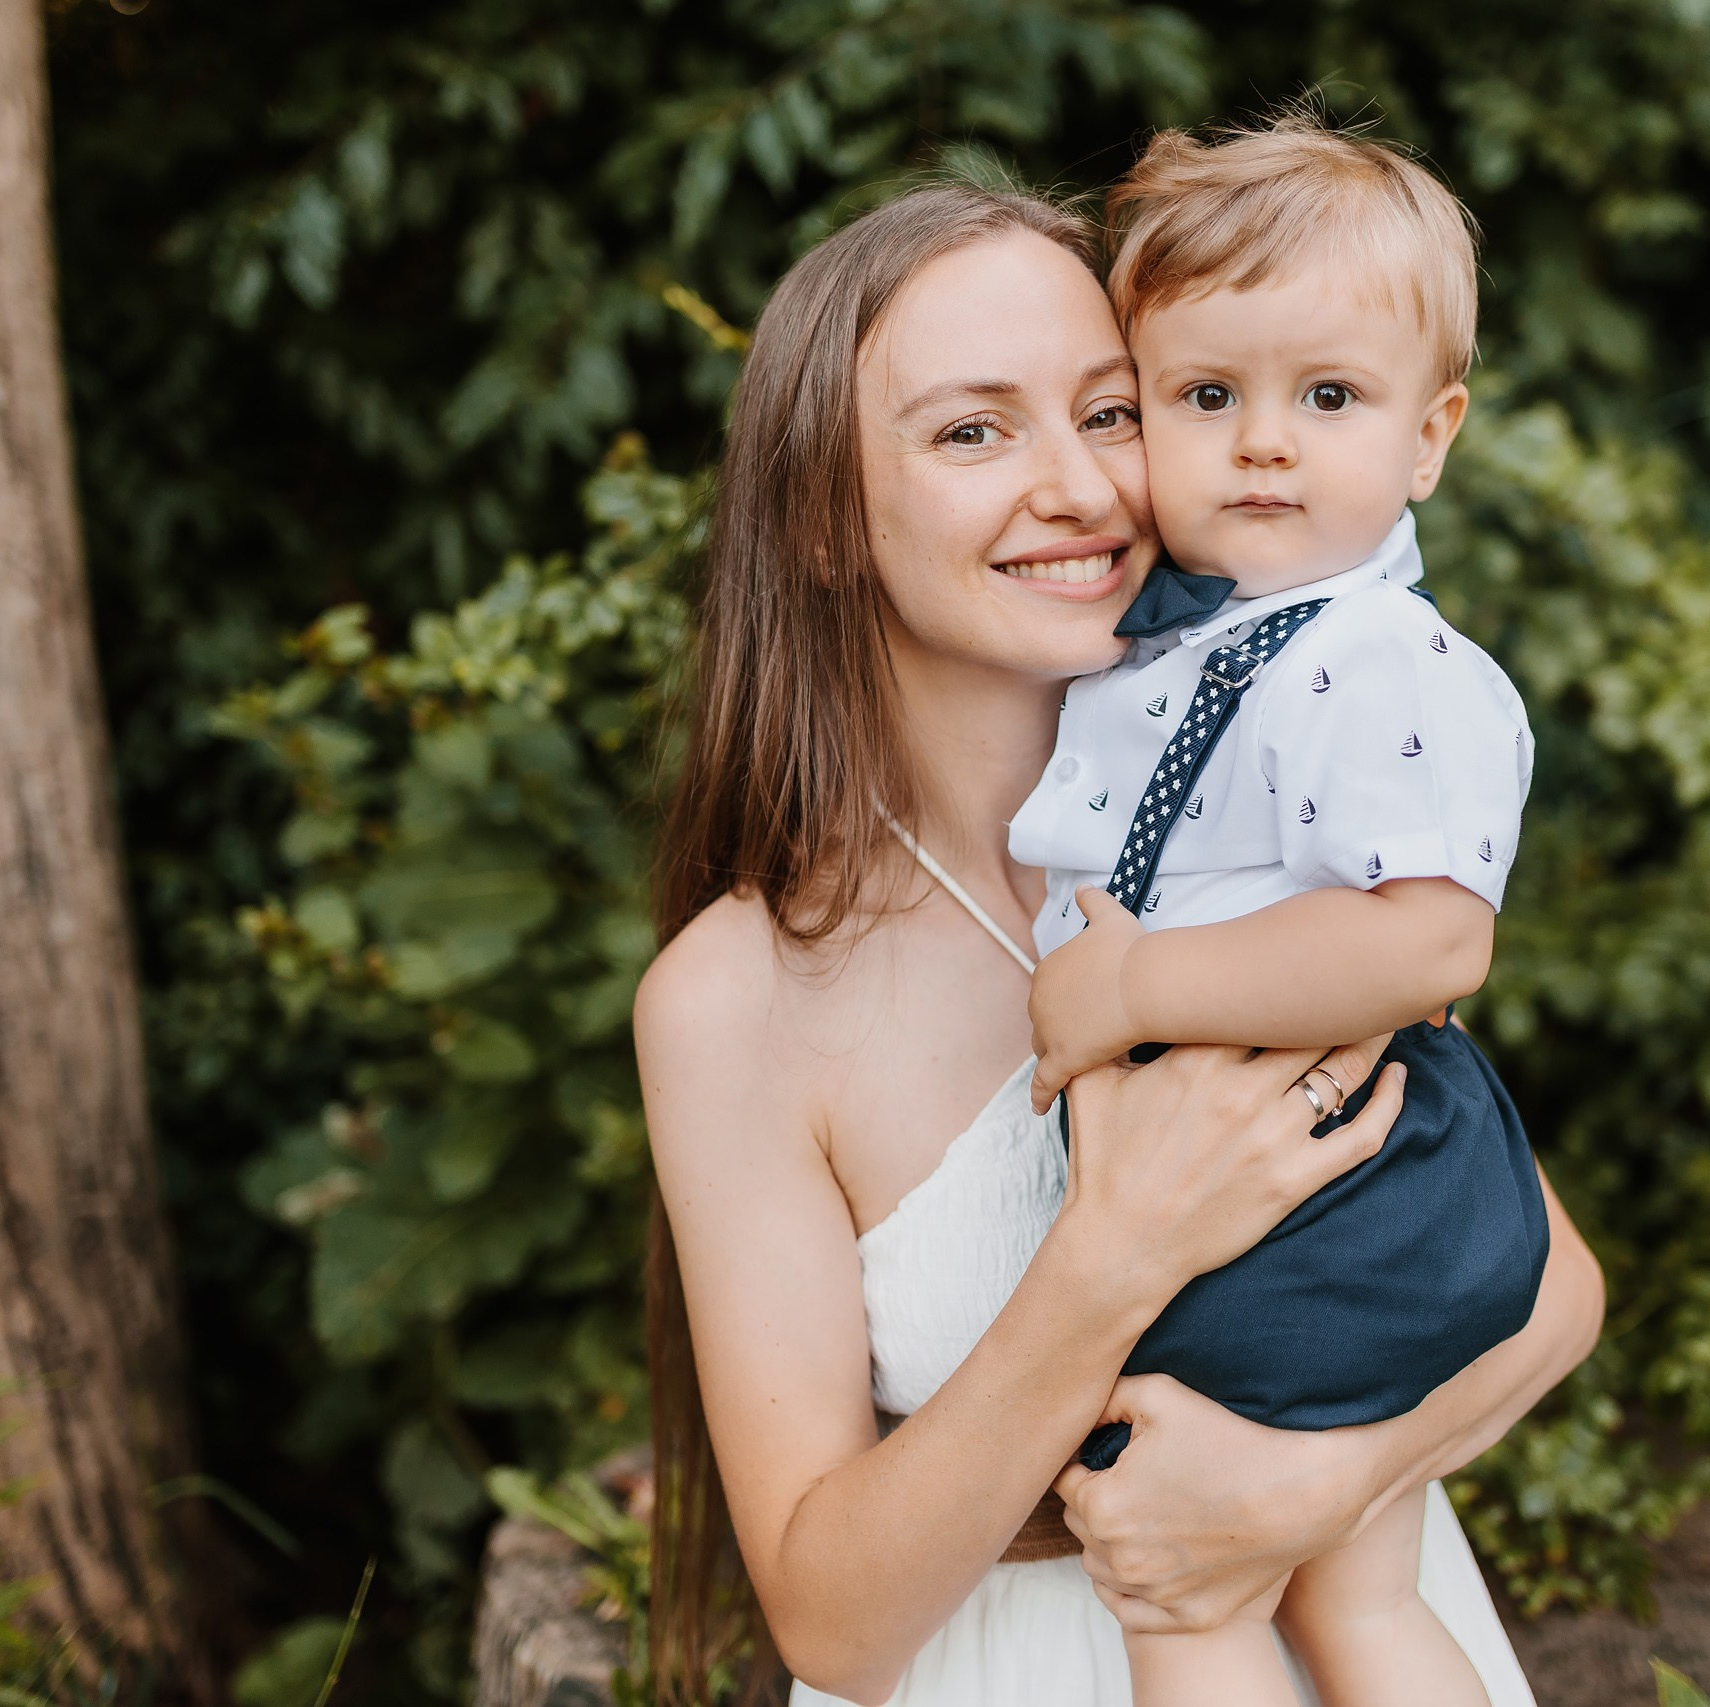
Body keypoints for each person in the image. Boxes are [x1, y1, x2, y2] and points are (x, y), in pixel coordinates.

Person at [635, 179, 1603, 1707]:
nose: (1080, 486)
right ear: (823, 515)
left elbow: (1552, 1285)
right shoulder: (741, 996)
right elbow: (827, 1620)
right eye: (974, 431)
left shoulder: (1257, 814)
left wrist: (1313, 1488)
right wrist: (1109, 1261)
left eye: (1113, 411)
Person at [1012, 119, 1537, 1707]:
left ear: (1429, 436)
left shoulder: (1377, 661)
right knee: (1360, 1601)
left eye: (1328, 398)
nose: (1261, 444)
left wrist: (1132, 988)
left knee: (1193, 1603)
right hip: (1310, 1175)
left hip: (1335, 1192)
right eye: (1204, 396)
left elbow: (1435, 944)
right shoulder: (1209, 642)